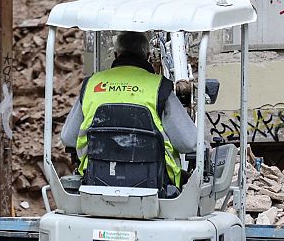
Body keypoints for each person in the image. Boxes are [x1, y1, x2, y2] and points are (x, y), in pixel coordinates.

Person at [60, 31, 198, 192]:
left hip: (95, 184)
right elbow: (189, 143)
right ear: (147, 56)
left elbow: (68, 138)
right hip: (157, 188)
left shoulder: (92, 84)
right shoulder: (160, 88)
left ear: (115, 54)